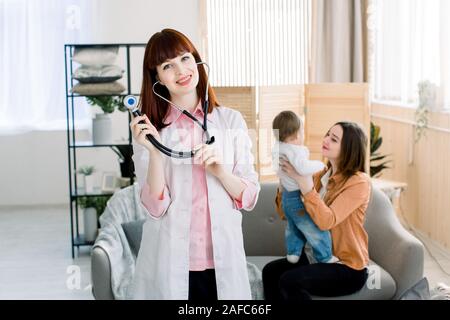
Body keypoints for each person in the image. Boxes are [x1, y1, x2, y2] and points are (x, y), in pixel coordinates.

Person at [129, 29, 260, 300]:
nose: (181, 71)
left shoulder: (230, 121)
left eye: (185, 59)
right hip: (173, 263)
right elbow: (155, 208)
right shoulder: (152, 131)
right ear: (157, 78)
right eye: (168, 66)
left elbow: (249, 196)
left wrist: (220, 171)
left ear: (198, 61)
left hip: (222, 261)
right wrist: (155, 153)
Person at [263, 121, 371, 300]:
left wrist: (304, 186)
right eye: (328, 134)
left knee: (289, 281)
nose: (326, 139)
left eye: (334, 139)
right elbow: (285, 214)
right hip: (316, 257)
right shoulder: (320, 176)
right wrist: (286, 183)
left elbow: (327, 220)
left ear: (348, 148)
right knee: (270, 272)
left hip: (347, 266)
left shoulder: (359, 182)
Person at [272, 111, 339, 265]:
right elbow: (302, 168)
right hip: (296, 198)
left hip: (287, 200)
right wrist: (319, 165)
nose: (326, 139)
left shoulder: (278, 148)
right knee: (312, 228)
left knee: (293, 227)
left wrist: (289, 179)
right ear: (296, 136)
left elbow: (278, 170)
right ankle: (325, 256)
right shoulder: (295, 151)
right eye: (302, 130)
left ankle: (293, 253)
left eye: (334, 139)